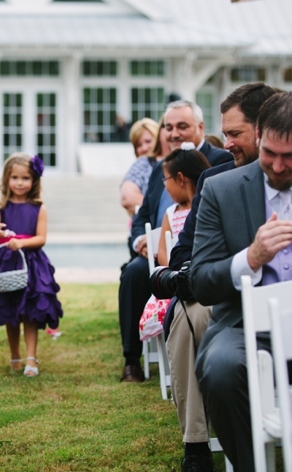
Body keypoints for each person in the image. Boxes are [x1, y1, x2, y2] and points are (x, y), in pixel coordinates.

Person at [190, 92, 292, 472]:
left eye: (289, 156)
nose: (276, 166)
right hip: (244, 327)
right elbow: (201, 281)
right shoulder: (221, 190)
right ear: (258, 135)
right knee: (219, 369)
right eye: (269, 152)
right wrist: (250, 257)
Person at [164, 82, 280, 472]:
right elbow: (183, 257)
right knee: (188, 316)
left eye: (235, 134)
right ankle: (196, 448)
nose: (226, 142)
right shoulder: (215, 181)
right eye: (224, 133)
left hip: (284, 304)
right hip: (222, 299)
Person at [117, 100, 233, 383]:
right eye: (168, 127)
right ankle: (131, 360)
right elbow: (142, 212)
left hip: (197, 251)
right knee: (132, 273)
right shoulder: (161, 167)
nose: (173, 133)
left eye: (182, 126)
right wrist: (141, 240)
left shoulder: (220, 161)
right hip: (156, 251)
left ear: (200, 127)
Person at [0, 153, 63, 377]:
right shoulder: (0, 206)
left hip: (30, 263)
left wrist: (20, 242)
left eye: (25, 178)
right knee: (10, 310)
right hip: (5, 263)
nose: (20, 183)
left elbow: (41, 238)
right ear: (6, 179)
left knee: (31, 311)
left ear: (34, 181)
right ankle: (15, 355)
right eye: (15, 178)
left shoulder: (39, 208)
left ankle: (32, 357)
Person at [139, 145, 209, 339]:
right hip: (176, 280)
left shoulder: (208, 206)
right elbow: (162, 252)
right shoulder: (171, 214)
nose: (165, 185)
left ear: (180, 178)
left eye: (166, 179)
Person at [120, 117, 159, 216]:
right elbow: (127, 197)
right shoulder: (143, 164)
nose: (144, 148)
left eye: (148, 141)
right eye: (138, 145)